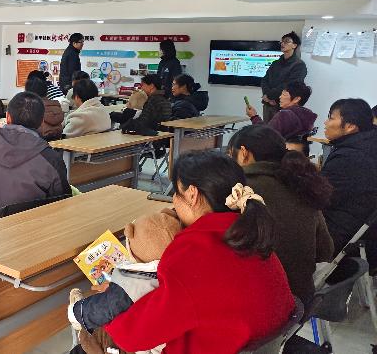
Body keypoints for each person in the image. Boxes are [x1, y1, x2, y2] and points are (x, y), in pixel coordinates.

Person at [105, 151, 295, 354]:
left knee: (101, 335)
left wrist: (109, 302)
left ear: (192, 194)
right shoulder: (249, 232)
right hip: (259, 344)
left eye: (175, 193)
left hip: (215, 347)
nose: (173, 202)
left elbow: (132, 337)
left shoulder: (194, 252)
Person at [228, 125, 334, 305]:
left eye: (231, 155)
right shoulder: (302, 184)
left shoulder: (238, 191)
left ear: (244, 153)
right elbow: (326, 251)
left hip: (258, 305)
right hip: (300, 302)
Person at [67, 209, 183, 354]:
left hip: (137, 346)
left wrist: (76, 312)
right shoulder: (175, 273)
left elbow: (105, 306)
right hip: (160, 339)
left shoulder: (131, 287)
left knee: (92, 339)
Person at [0, 91, 70, 218]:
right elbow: (63, 203)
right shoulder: (50, 158)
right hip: (30, 227)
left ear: (8, 117)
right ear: (41, 122)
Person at [320, 98, 377, 263]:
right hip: (361, 230)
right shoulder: (366, 145)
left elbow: (318, 196)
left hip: (339, 232)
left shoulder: (350, 156)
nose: (325, 123)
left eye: (331, 118)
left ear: (350, 126)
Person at [261, 31, 306, 123]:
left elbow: (290, 85)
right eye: (282, 41)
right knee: (266, 130)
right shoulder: (275, 63)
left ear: (294, 45)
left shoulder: (299, 65)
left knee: (280, 130)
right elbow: (265, 80)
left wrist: (270, 96)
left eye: (286, 41)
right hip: (268, 104)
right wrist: (267, 96)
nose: (282, 43)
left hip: (283, 106)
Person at [246, 81, 316, 140]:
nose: (280, 97)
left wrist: (254, 117)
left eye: (284, 94)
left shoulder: (285, 115)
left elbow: (266, 135)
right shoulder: (307, 117)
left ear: (296, 99)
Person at [24, 76, 64, 140]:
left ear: (29, 94)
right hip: (57, 143)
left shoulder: (31, 109)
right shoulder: (56, 106)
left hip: (38, 143)